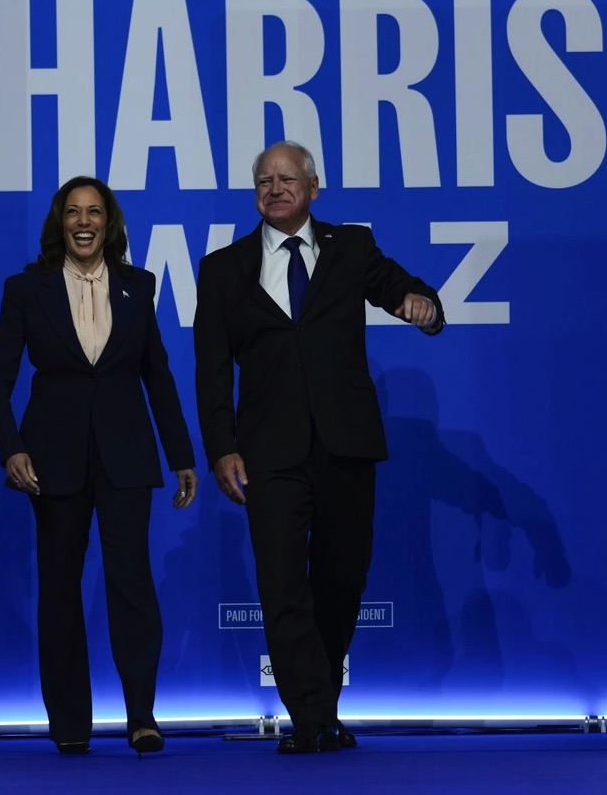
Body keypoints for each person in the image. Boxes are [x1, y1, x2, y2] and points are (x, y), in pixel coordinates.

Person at [193, 141, 444, 755]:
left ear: (312, 187)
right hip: (268, 452)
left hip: (346, 446)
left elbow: (404, 289)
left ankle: (323, 704)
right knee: (282, 585)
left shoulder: (350, 248)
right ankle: (309, 717)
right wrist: (222, 447)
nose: (274, 187)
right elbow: (210, 369)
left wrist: (424, 308)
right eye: (263, 180)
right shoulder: (223, 269)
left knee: (341, 581)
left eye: (286, 178)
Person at [0, 175, 197, 757]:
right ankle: (71, 725)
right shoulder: (27, 289)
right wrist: (12, 449)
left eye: (94, 213)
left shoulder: (138, 285)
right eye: (73, 212)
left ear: (109, 223)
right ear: (60, 223)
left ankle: (141, 718)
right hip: (50, 460)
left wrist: (182, 455)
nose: (84, 222)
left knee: (132, 583)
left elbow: (158, 375)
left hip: (126, 455)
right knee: (59, 590)